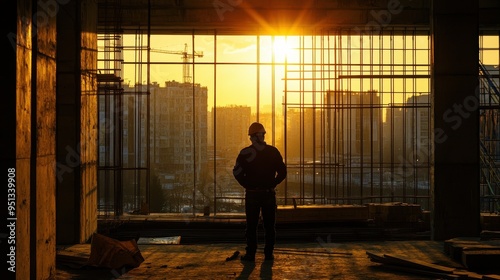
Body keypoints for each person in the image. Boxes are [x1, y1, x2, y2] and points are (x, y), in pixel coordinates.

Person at [233, 122, 287, 261]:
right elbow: (282, 172)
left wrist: (247, 185)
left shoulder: (245, 153)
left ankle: (251, 254)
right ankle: (268, 254)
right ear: (262, 135)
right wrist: (272, 183)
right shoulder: (273, 152)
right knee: (269, 226)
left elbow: (237, 173)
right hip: (268, 194)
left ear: (252, 137)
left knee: (251, 226)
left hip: (252, 194)